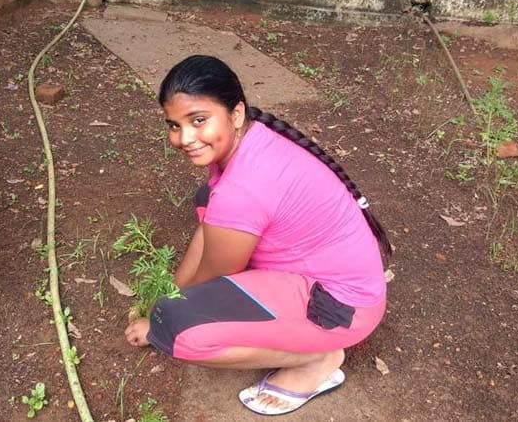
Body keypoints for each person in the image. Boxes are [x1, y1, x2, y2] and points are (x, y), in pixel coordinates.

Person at [124, 55, 390, 416]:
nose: (184, 138)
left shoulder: (242, 190)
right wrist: (172, 294)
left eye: (198, 120)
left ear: (235, 113)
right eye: (173, 125)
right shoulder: (254, 140)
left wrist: (158, 317)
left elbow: (213, 274)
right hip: (341, 283)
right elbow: (210, 232)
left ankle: (316, 360)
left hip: (340, 308)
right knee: (208, 203)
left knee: (176, 329)